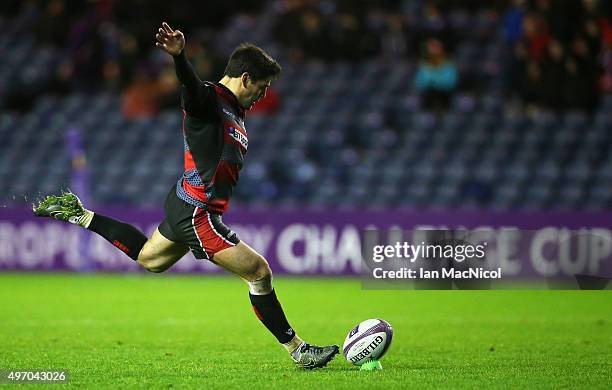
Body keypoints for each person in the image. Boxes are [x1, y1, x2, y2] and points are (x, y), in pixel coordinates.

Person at [33, 22, 339, 369]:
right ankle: (299, 350)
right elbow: (191, 91)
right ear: (245, 78)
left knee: (150, 259)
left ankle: (79, 214)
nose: (264, 94)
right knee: (259, 272)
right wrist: (180, 58)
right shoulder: (210, 99)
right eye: (262, 86)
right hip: (197, 211)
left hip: (186, 203)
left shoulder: (235, 111)